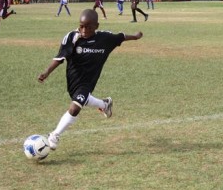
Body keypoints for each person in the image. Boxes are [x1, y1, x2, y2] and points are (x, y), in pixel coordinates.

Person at [37, 9, 143, 151]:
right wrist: (47, 72)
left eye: (88, 27)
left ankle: (54, 135)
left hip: (88, 82)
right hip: (73, 80)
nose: (84, 30)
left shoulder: (104, 38)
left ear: (96, 26)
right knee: (82, 99)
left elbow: (121, 37)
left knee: (75, 107)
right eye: (81, 26)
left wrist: (135, 36)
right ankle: (105, 104)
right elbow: (60, 57)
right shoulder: (72, 37)